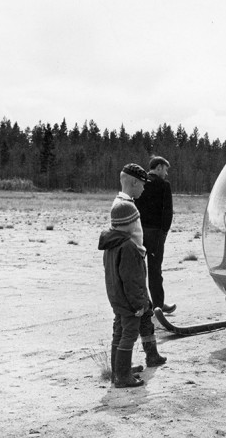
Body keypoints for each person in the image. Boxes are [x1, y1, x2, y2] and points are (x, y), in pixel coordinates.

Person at [98, 163, 167, 388]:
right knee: (129, 331)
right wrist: (138, 301)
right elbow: (131, 278)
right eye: (143, 185)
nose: (145, 189)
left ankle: (129, 365)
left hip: (120, 290)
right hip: (132, 283)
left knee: (124, 327)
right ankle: (122, 374)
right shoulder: (125, 215)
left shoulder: (114, 237)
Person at [134, 156, 175, 314]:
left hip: (138, 232)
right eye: (165, 169)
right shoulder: (164, 185)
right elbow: (168, 211)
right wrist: (164, 232)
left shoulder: (139, 182)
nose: (166, 173)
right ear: (158, 168)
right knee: (155, 270)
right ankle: (158, 304)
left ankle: (143, 304)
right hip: (156, 233)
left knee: (139, 269)